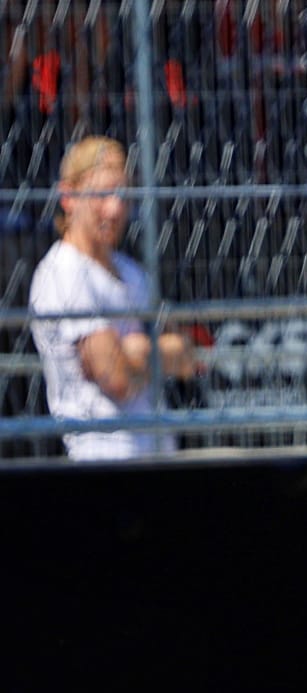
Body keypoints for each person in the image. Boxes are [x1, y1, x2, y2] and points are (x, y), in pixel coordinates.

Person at [29, 136, 197, 459]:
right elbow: (115, 377)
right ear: (69, 196)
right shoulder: (62, 271)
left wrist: (137, 352)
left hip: (159, 454)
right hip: (104, 459)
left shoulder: (131, 271)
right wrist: (157, 354)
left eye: (123, 194)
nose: (116, 208)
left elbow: (187, 355)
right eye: (102, 194)